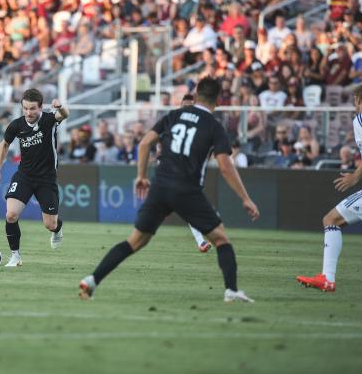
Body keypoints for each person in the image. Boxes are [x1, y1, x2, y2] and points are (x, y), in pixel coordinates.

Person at [79, 77, 260, 302]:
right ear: (218, 100)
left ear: (195, 95)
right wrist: (245, 198)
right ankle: (231, 290)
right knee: (221, 239)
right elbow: (225, 166)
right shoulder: (214, 126)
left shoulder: (174, 115)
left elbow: (144, 143)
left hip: (160, 186)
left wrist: (141, 176)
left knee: (135, 241)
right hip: (187, 189)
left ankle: (92, 280)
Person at [297, 82, 362, 292]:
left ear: (359, 100)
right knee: (335, 221)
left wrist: (356, 176)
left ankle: (327, 278)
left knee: (331, 219)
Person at [0, 89, 69, 267]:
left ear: (41, 107)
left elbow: (65, 114)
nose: (28, 112)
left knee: (50, 224)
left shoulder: (49, 120)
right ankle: (15, 256)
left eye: (32, 108)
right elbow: (4, 145)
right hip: (24, 176)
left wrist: (61, 106)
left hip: (46, 179)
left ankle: (58, 229)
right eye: (25, 108)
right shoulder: (17, 125)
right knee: (11, 214)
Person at [180, 93, 213, 253]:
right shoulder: (172, 122)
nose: (186, 109)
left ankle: (202, 240)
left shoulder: (201, 125)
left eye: (189, 106)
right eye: (184, 106)